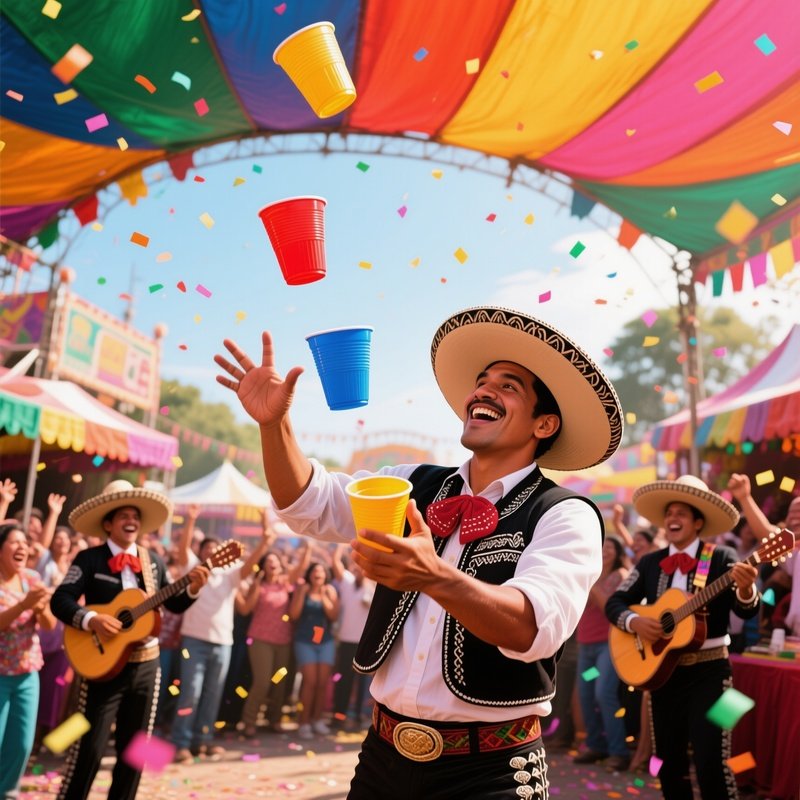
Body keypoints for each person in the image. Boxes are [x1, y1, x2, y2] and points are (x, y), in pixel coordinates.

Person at [215, 306, 623, 798]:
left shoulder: (565, 514)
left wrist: (434, 576)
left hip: (491, 772)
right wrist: (274, 425)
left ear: (544, 424)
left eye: (508, 385)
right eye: (481, 381)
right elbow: (309, 503)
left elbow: (532, 627)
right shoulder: (411, 483)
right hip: (382, 758)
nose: (483, 390)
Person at [51, 480, 210, 800]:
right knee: (88, 748)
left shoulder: (154, 562)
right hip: (101, 667)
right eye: (123, 515)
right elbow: (60, 600)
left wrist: (193, 588)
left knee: (137, 751)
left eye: (135, 516)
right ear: (108, 524)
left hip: (146, 668)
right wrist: (93, 619)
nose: (131, 521)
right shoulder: (89, 559)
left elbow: (173, 604)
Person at [606, 475, 759, 799]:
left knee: (711, 760)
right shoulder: (650, 562)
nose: (672, 518)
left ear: (698, 522)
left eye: (681, 513)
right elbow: (614, 603)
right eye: (669, 513)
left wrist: (746, 589)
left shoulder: (723, 557)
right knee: (668, 763)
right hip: (663, 676)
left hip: (713, 674)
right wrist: (635, 622)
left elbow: (746, 611)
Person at [169, 503, 263, 763]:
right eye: (206, 548)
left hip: (222, 643)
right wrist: (191, 519)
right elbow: (183, 548)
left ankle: (203, 740)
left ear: (223, 553)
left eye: (215, 548)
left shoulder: (230, 573)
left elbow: (251, 563)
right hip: (193, 641)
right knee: (190, 693)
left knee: (212, 695)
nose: (211, 551)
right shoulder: (193, 568)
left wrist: (265, 539)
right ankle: (181, 743)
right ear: (200, 552)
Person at [0, 521, 57, 799]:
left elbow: (49, 624)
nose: (22, 547)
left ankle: (7, 793)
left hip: (27, 673)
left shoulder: (32, 578)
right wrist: (24, 604)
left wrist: (41, 608)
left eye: (25, 542)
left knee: (21, 744)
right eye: (14, 542)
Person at [238, 524, 310, 737]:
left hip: (283, 640)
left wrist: (307, 548)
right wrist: (257, 584)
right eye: (269, 561)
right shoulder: (258, 585)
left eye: (275, 561)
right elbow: (246, 609)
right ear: (263, 566)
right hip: (259, 639)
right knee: (262, 682)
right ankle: (249, 722)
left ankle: (274, 720)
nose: (272, 564)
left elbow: (301, 568)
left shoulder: (285, 584)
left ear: (280, 565)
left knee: (279, 683)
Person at [573, 535, 630, 771]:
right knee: (586, 694)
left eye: (610, 547)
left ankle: (619, 752)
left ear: (617, 553)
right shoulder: (590, 573)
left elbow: (610, 607)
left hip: (608, 647)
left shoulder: (620, 576)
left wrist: (593, 585)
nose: (605, 550)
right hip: (586, 648)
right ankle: (596, 745)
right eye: (602, 546)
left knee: (603, 693)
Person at [289, 561, 340, 739]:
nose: (317, 574)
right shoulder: (302, 590)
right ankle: (303, 722)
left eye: (321, 571)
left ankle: (317, 720)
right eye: (314, 571)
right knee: (310, 682)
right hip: (304, 641)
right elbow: (293, 615)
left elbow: (333, 616)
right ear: (309, 574)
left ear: (326, 575)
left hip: (325, 642)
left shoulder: (330, 591)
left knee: (322, 683)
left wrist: (323, 596)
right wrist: (302, 594)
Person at [331, 543, 375, 730]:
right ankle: (339, 716)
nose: (360, 568)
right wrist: (340, 545)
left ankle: (359, 717)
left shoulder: (374, 586)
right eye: (358, 565)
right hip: (346, 641)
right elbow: (335, 563)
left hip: (365, 644)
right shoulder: (347, 582)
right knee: (344, 681)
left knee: (364, 684)